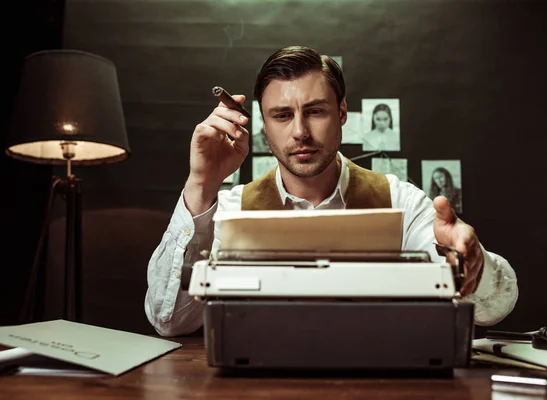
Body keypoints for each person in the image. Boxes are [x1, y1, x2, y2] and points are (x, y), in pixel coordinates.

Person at [144, 45, 518, 337]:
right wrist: (200, 186)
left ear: (342, 112)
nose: (300, 132)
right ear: (263, 123)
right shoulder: (227, 209)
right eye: (282, 115)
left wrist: (473, 263)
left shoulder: (401, 202)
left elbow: (493, 309)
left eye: (316, 111)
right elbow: (169, 322)